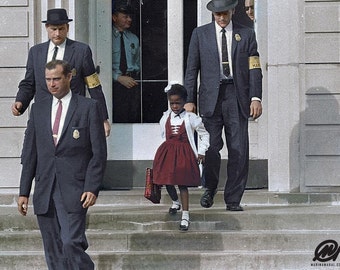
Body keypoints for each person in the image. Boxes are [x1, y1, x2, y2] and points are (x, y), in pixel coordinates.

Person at [17, 60, 107, 269]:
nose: (52, 84)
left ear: (69, 77)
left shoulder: (88, 107)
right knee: (53, 251)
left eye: (56, 79)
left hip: (75, 190)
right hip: (45, 189)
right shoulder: (38, 109)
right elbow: (30, 153)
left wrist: (92, 187)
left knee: (71, 243)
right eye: (48, 80)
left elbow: (98, 153)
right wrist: (23, 191)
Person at [184, 0, 262, 211]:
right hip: (210, 99)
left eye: (225, 13)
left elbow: (254, 68)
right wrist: (189, 100)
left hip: (237, 97)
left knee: (238, 149)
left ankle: (233, 198)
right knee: (210, 147)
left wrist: (256, 97)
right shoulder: (200, 35)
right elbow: (192, 69)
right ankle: (209, 188)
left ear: (233, 11)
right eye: (217, 14)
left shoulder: (246, 34)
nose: (221, 18)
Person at [12, 8, 111, 137]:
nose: (57, 33)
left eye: (61, 29)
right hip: (43, 114)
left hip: (73, 115)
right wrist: (20, 101)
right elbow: (29, 83)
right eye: (53, 29)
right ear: (47, 28)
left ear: (67, 28)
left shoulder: (81, 51)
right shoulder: (36, 52)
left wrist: (103, 118)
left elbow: (94, 86)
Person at [152, 83, 209, 231]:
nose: (175, 106)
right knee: (167, 180)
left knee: (182, 183)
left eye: (178, 103)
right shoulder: (165, 118)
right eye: (172, 103)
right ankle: (175, 201)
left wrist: (202, 151)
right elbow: (164, 135)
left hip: (184, 153)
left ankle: (185, 214)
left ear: (184, 102)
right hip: (168, 152)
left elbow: (204, 134)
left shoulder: (191, 118)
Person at [112, 3, 141, 123]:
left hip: (131, 84)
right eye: (125, 16)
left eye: (130, 16)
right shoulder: (107, 38)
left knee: (132, 118)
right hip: (114, 85)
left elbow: (137, 63)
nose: (129, 19)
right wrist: (117, 77)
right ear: (114, 17)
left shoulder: (133, 38)